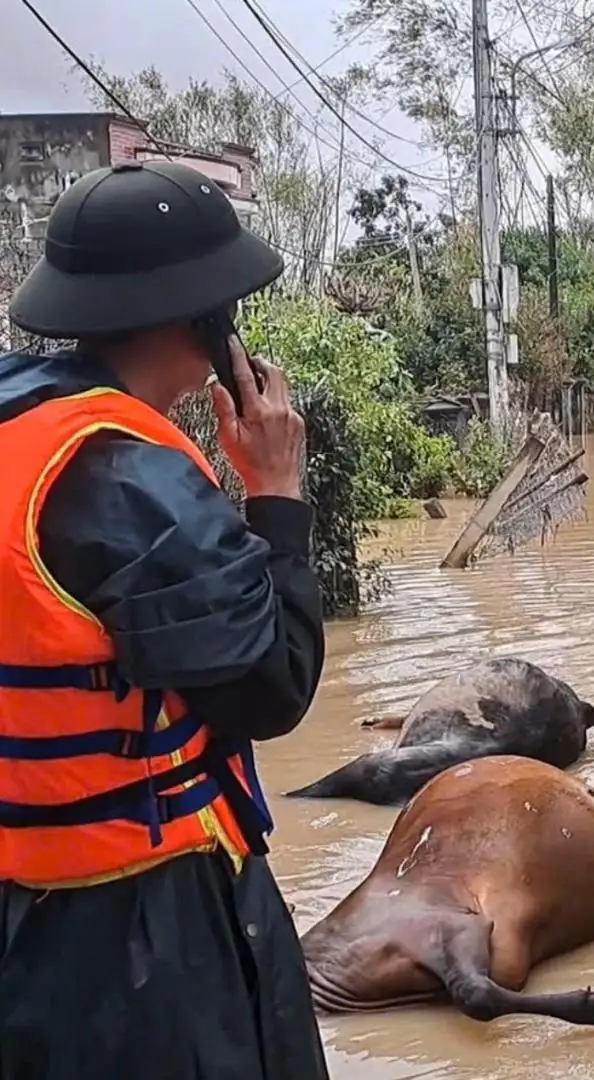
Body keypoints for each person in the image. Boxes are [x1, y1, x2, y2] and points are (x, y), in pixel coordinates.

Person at [0, 162, 329, 1079]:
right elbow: (274, 682)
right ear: (206, 319)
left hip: (21, 917)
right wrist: (274, 491)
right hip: (150, 936)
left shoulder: (16, 422)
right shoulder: (131, 479)